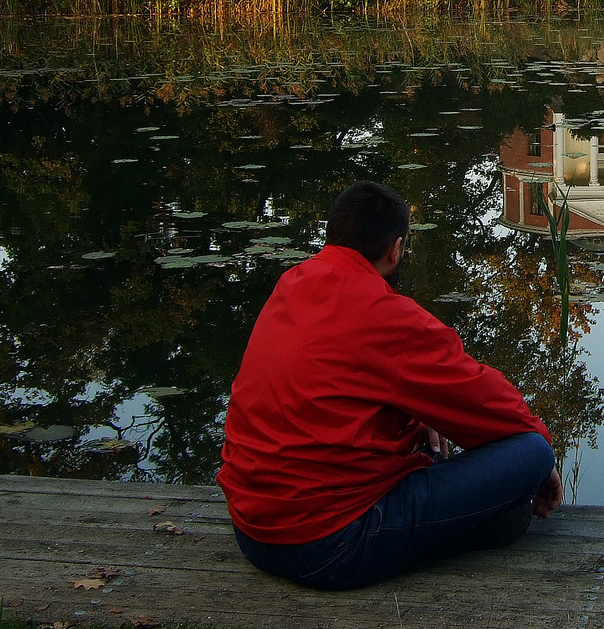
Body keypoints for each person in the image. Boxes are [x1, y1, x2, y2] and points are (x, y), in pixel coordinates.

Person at [217, 180, 563, 589]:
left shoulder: (291, 285)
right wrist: (543, 460)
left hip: (253, 530)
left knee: (433, 449)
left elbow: (331, 396)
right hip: (331, 546)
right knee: (531, 453)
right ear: (396, 249)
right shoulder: (383, 313)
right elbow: (485, 399)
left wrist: (418, 417)